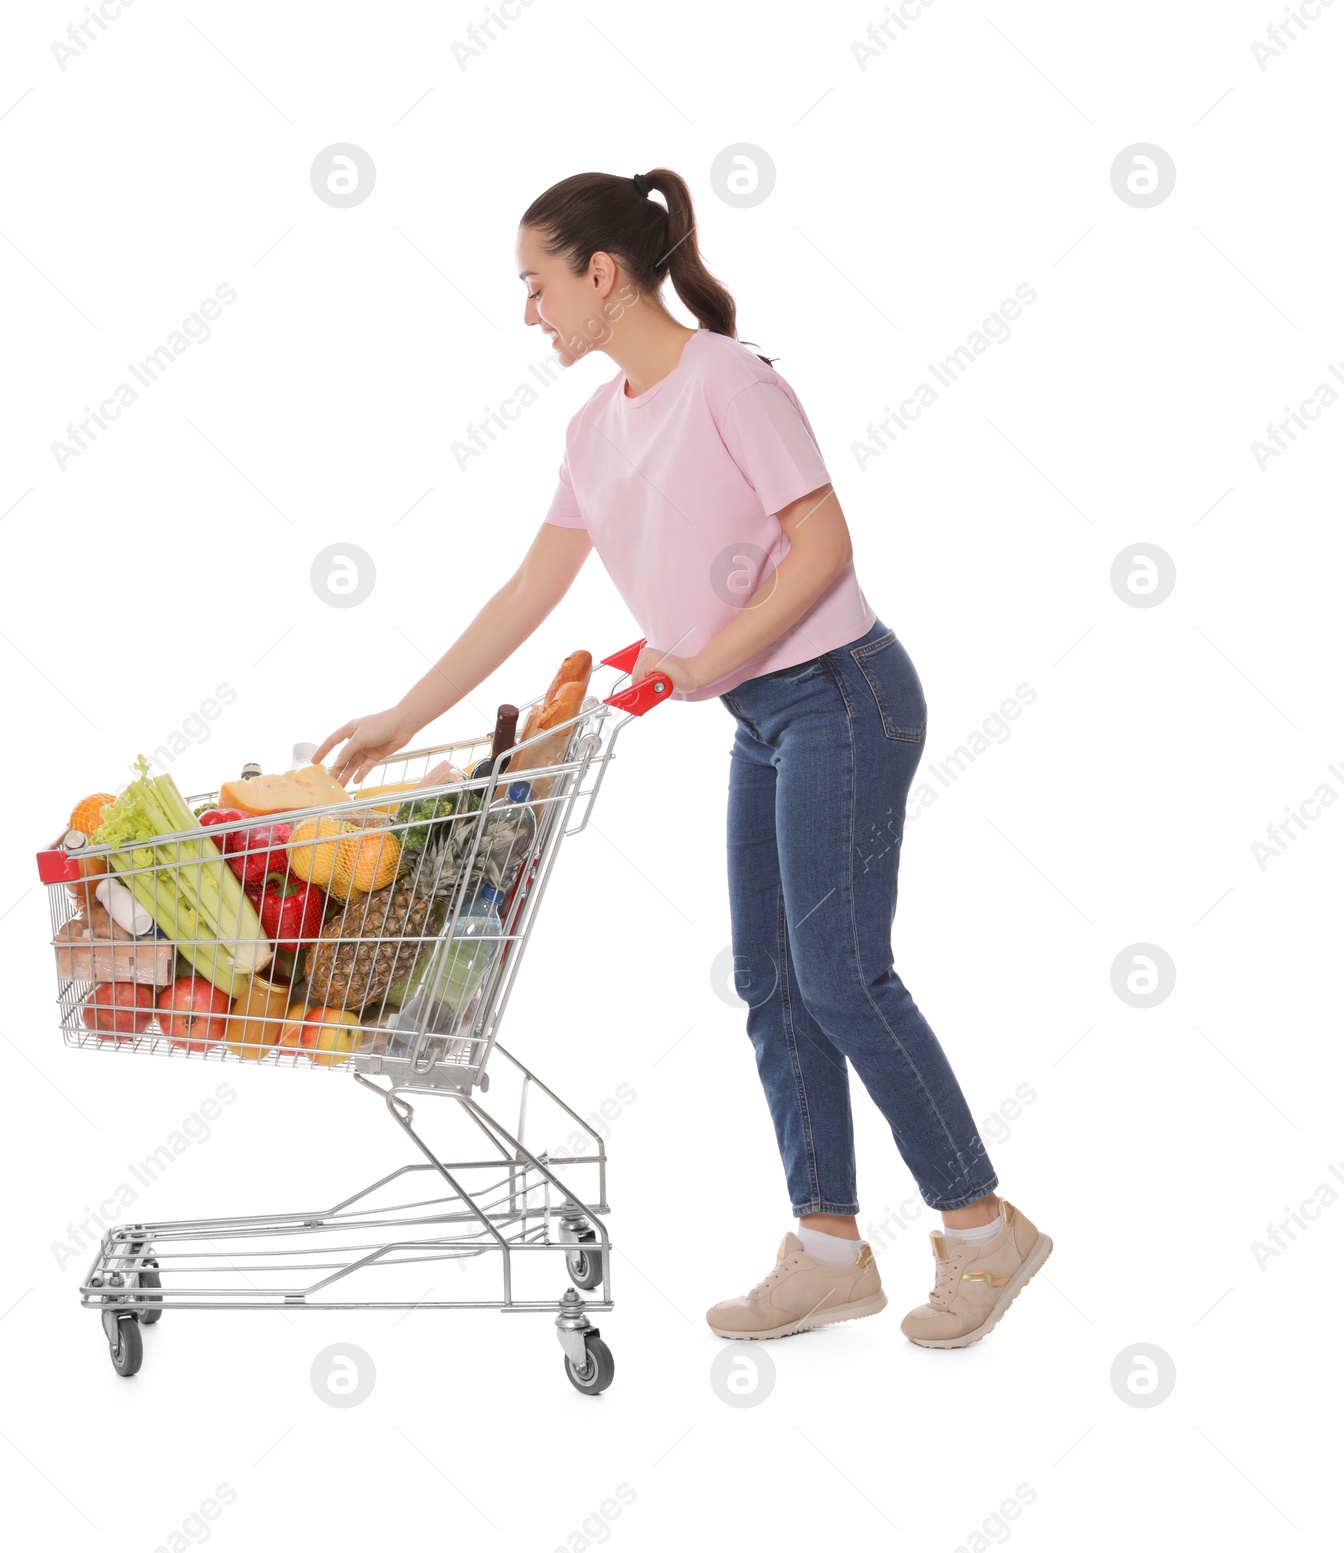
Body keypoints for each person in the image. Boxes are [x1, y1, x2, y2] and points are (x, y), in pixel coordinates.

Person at [316, 167, 1053, 1349]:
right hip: (765, 715)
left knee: (841, 975)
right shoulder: (593, 427)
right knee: (768, 980)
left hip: (843, 695)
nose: (528, 313)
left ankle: (982, 1229)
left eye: (536, 284)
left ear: (600, 275)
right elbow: (530, 588)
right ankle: (828, 1250)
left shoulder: (730, 380)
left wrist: (708, 656)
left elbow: (824, 546)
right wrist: (403, 715)